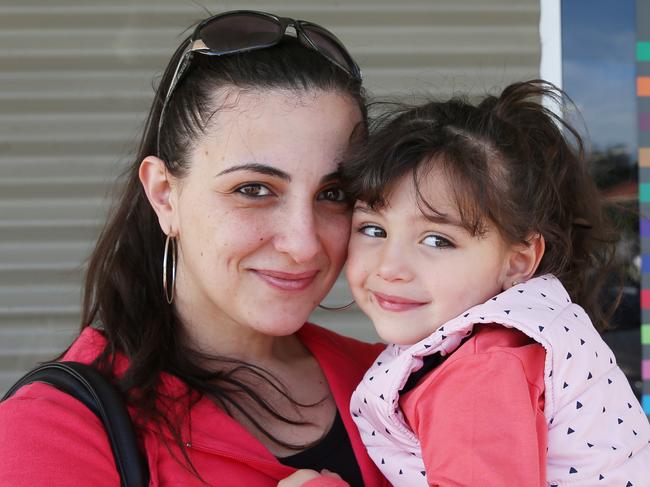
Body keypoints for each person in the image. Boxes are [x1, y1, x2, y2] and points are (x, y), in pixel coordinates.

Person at [0, 10, 389, 487]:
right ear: (164, 194)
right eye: (254, 189)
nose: (303, 244)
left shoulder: (395, 379)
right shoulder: (55, 428)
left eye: (332, 194)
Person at [341, 80, 650, 486]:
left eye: (438, 240)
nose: (390, 267)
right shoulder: (509, 338)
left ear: (518, 261)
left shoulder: (479, 370)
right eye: (373, 229)